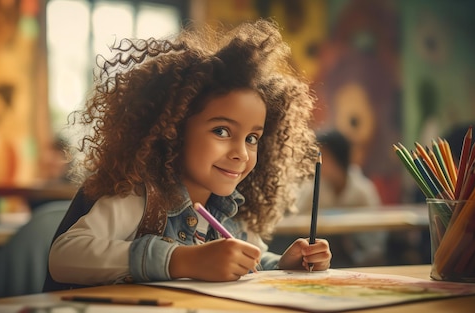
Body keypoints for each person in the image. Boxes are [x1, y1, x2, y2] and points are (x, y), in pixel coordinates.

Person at [47, 19, 332, 287]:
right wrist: (179, 260)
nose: (242, 153)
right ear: (173, 129)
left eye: (252, 138)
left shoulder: (230, 208)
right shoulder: (139, 197)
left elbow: (249, 262)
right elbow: (64, 256)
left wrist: (284, 263)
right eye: (222, 131)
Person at [296, 129, 385, 267]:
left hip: (361, 259)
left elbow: (376, 234)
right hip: (323, 259)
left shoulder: (362, 190)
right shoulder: (315, 188)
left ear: (339, 158)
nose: (317, 162)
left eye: (324, 156)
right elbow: (298, 217)